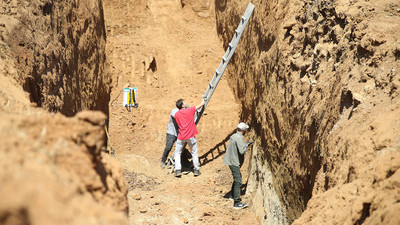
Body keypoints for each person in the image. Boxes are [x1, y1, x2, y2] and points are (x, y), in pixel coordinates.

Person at [223, 122, 253, 209]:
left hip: (231, 160)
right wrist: (246, 145)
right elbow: (242, 151)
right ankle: (237, 202)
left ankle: (232, 195)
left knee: (236, 179)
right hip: (234, 162)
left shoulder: (234, 136)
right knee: (238, 181)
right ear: (244, 130)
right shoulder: (239, 138)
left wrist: (245, 144)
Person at [173, 98, 205, 177]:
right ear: (183, 105)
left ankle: (178, 170)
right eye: (184, 102)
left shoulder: (176, 114)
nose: (186, 103)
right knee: (194, 153)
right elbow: (201, 105)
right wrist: (203, 99)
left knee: (177, 153)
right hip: (190, 136)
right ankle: (196, 170)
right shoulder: (189, 110)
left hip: (181, 137)